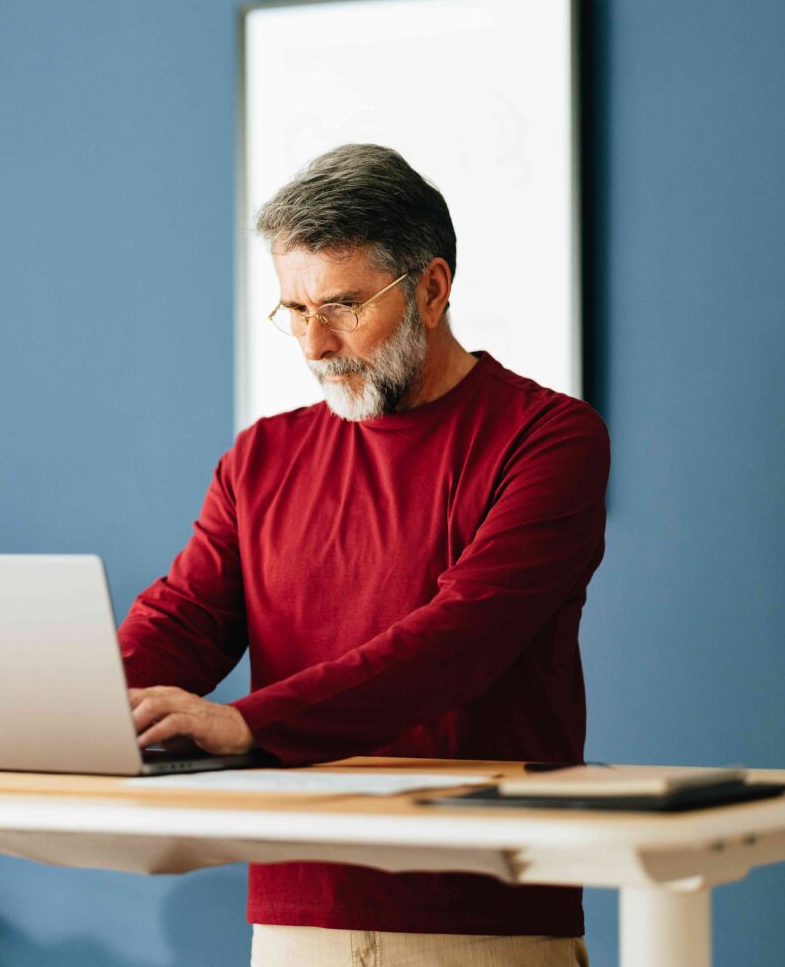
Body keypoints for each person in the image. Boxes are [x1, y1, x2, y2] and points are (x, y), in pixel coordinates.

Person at [119, 143, 607, 967]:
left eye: (343, 306)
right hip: (295, 915)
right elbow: (185, 621)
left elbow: (459, 644)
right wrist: (78, 702)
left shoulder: (548, 439)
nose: (315, 345)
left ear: (432, 289)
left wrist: (245, 722)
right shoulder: (260, 457)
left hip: (481, 918)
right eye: (294, 310)